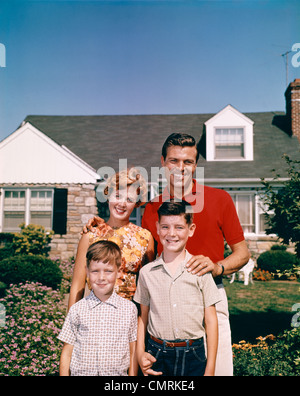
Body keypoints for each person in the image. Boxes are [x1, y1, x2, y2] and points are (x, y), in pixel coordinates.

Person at [141, 133, 250, 376]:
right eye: (174, 161)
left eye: (187, 162)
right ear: (163, 162)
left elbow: (242, 253)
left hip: (210, 294)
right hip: (164, 300)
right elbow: (143, 258)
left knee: (217, 371)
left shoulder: (219, 199)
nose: (181, 168)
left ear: (195, 165)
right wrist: (99, 228)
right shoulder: (151, 208)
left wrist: (217, 266)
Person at [134, 200, 220, 376]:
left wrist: (210, 368)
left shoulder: (201, 270)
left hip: (194, 355)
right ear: (157, 228)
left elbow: (211, 321)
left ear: (191, 229)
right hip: (157, 354)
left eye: (179, 227)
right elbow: (142, 318)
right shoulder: (146, 273)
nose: (171, 233)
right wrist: (140, 353)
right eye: (165, 227)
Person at [68, 168, 155, 309]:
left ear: (137, 203)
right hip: (95, 313)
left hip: (129, 317)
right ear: (108, 195)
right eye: (118, 196)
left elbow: (148, 289)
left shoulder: (144, 238)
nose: (122, 204)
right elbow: (77, 286)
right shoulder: (91, 235)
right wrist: (71, 325)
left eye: (129, 199)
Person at [58, 240, 138, 376]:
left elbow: (132, 351)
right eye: (95, 271)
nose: (101, 277)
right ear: (87, 272)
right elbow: (67, 352)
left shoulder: (129, 309)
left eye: (108, 271)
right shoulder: (77, 309)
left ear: (119, 272)